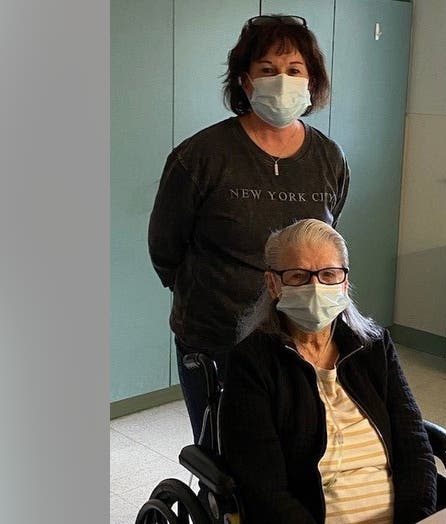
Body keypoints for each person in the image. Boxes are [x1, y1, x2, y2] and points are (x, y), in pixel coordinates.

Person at [147, 14, 350, 442]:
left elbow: (324, 243)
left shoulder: (329, 158)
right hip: (215, 335)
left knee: (289, 449)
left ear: (311, 81)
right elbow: (166, 245)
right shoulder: (201, 155)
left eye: (294, 70)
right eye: (267, 70)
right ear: (245, 81)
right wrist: (209, 294)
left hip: (297, 336)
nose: (282, 79)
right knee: (221, 451)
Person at [219, 219, 437, 524]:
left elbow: (415, 446)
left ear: (344, 283)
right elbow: (264, 489)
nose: (316, 287)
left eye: (328, 274)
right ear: (273, 285)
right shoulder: (253, 364)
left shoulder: (373, 348)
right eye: (298, 276)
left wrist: (417, 519)